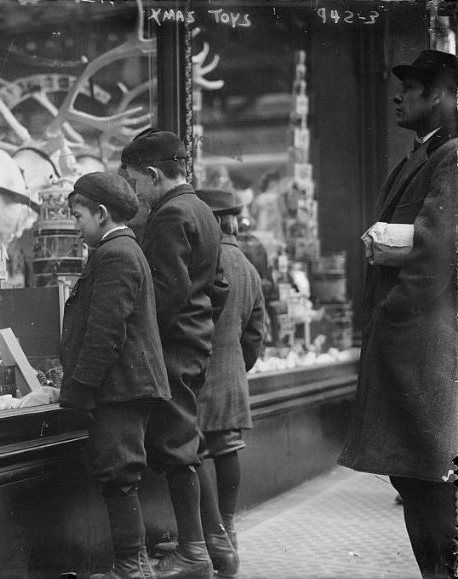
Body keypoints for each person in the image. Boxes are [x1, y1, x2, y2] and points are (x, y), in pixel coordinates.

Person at [338, 49, 458, 579]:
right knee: (416, 476)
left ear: (444, 95)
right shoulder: (423, 156)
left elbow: (434, 252)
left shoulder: (451, 157)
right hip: (412, 348)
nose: (397, 96)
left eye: (411, 88)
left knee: (428, 479)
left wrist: (392, 313)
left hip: (423, 349)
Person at [119, 129, 229, 579]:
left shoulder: (169, 215)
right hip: (193, 343)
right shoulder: (202, 210)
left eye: (134, 181)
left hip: (171, 350)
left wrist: (138, 343)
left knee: (176, 446)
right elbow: (219, 287)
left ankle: (193, 553)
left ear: (152, 174)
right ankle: (215, 544)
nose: (134, 192)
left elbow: (164, 295)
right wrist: (200, 327)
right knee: (189, 443)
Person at [60, 172, 171, 579]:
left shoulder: (116, 253)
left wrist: (80, 387)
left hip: (120, 388)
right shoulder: (120, 250)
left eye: (78, 216)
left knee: (118, 474)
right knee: (119, 473)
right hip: (124, 385)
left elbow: (106, 330)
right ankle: (134, 566)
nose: (76, 225)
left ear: (102, 213)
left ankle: (131, 569)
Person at [194, 189, 266, 575]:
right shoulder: (248, 267)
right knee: (226, 451)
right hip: (231, 373)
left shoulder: (201, 260)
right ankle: (228, 529)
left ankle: (208, 537)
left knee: (192, 454)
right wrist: (238, 365)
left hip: (196, 374)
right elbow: (256, 334)